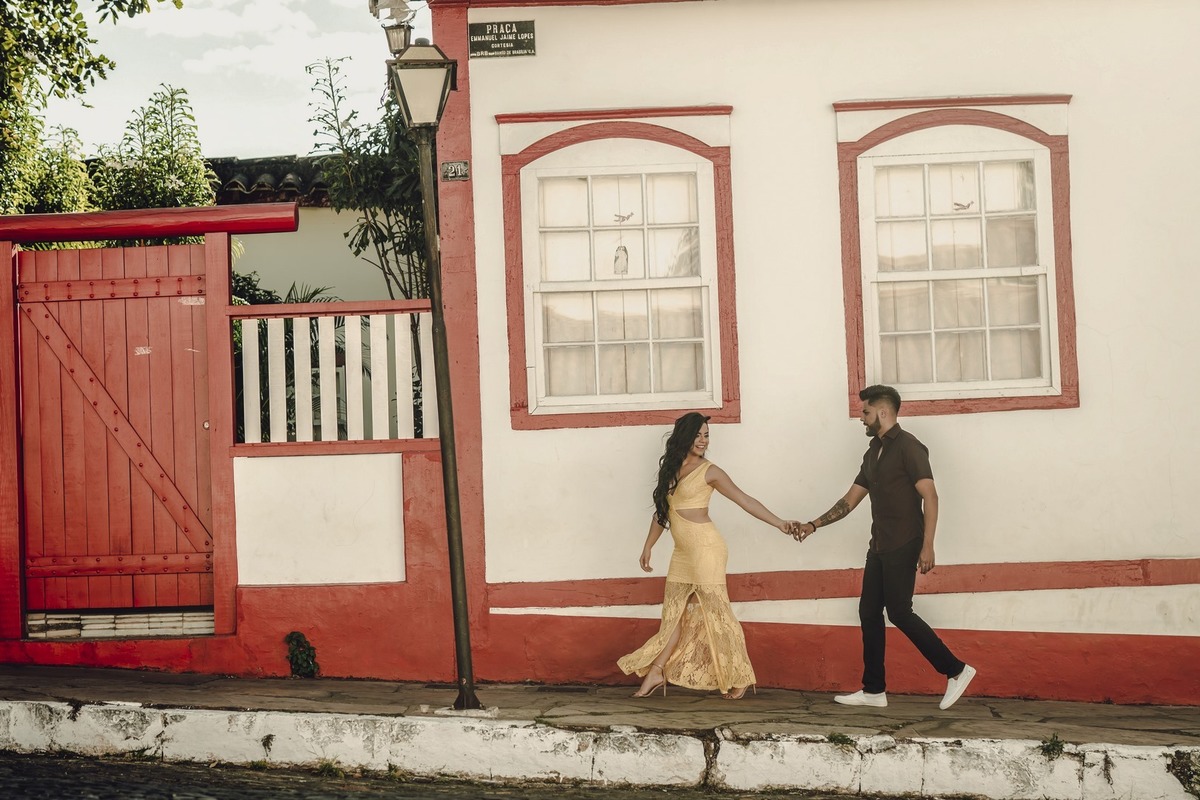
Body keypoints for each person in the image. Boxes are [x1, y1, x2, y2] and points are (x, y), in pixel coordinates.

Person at [793, 385, 976, 710]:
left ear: (882, 411)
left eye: (865, 412)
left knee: (900, 612)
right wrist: (813, 525)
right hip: (879, 546)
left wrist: (928, 545)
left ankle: (957, 669)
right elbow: (849, 501)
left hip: (904, 543)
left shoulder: (909, 447)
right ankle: (874, 690)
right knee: (868, 611)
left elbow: (930, 496)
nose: (861, 418)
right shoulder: (873, 453)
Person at [618, 412, 798, 700]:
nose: (703, 441)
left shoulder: (710, 471)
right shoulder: (672, 469)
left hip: (707, 550)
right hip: (682, 553)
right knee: (673, 615)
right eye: (698, 435)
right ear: (683, 437)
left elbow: (745, 499)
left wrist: (779, 522)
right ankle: (657, 671)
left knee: (717, 613)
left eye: (706, 435)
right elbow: (662, 513)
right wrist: (648, 545)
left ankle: (740, 676)